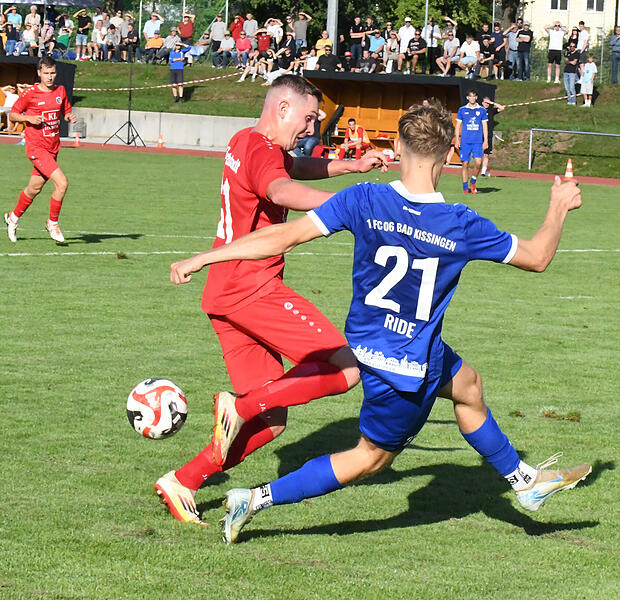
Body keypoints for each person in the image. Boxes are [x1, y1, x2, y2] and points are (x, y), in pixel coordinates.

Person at [175, 100, 593, 545]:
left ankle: (524, 480)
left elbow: (284, 235)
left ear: (397, 145)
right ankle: (254, 498)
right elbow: (539, 257)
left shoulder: (365, 198)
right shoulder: (460, 223)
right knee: (369, 458)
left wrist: (209, 255)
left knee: (468, 386)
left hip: (369, 347)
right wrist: (559, 206)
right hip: (406, 369)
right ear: (451, 153)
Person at [155, 75, 388, 525]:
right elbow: (281, 190)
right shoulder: (264, 151)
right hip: (252, 287)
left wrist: (349, 166)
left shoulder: (247, 140)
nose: (310, 128)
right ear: (283, 109)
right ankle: (236, 407)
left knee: (273, 421)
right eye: (307, 118)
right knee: (345, 369)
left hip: (224, 292)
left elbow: (290, 170)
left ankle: (183, 480)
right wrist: (346, 208)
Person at [4, 56, 77, 244]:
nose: (50, 77)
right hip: (36, 147)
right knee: (62, 183)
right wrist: (28, 119)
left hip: (53, 147)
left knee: (34, 188)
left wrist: (69, 117)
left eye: (52, 73)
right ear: (39, 73)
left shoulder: (60, 91)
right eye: (46, 73)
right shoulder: (30, 93)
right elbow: (12, 115)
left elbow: (66, 111)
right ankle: (52, 223)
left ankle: (12, 218)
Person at [455, 89, 486, 195]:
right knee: (465, 164)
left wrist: (485, 140)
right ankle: (465, 186)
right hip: (465, 141)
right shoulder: (462, 110)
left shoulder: (481, 110)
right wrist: (457, 139)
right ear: (467, 98)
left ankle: (472, 181)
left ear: (476, 97)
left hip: (477, 141)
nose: (472, 98)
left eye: (474, 96)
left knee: (478, 163)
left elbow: (485, 126)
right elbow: (458, 125)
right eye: (470, 96)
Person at [480, 96, 504, 176]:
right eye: (485, 102)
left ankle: (483, 171)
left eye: (488, 103)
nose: (486, 104)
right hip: (479, 135)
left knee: (486, 154)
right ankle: (485, 168)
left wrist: (491, 103)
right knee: (479, 154)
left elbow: (502, 108)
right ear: (482, 103)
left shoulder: (491, 110)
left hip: (489, 135)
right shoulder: (479, 110)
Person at [563, 40, 579, 106]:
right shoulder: (568, 53)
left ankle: (573, 101)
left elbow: (574, 63)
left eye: (573, 46)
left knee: (572, 87)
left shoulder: (577, 54)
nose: (572, 47)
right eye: (571, 46)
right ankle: (569, 100)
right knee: (567, 88)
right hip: (566, 71)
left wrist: (569, 61)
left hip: (572, 72)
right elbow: (566, 60)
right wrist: (569, 61)